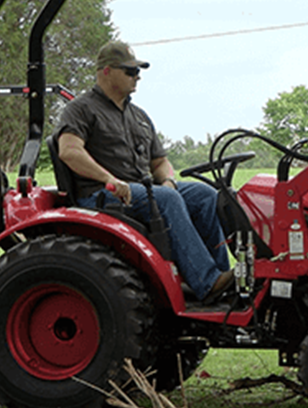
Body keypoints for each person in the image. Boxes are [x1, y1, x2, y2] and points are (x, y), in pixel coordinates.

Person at [52, 40, 233, 304]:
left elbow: (159, 161)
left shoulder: (139, 116)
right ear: (106, 71)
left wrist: (168, 179)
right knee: (166, 199)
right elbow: (69, 151)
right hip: (101, 194)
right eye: (130, 71)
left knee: (205, 194)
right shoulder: (82, 109)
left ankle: (221, 276)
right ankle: (206, 281)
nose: (137, 77)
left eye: (138, 72)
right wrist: (109, 179)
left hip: (141, 188)